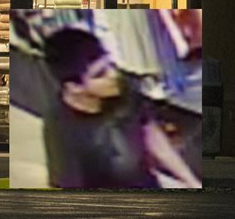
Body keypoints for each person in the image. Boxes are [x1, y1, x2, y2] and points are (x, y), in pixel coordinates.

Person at [39, 28, 201, 189]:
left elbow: (149, 132)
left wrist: (190, 182)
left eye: (110, 64)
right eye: (100, 74)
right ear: (74, 87)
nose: (113, 75)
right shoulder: (61, 128)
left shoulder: (122, 88)